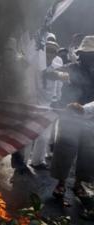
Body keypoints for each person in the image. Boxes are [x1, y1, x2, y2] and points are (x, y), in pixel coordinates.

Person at [44, 36, 94, 206]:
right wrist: (60, 75)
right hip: (70, 117)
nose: (90, 58)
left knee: (87, 153)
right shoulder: (72, 68)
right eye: (87, 54)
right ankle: (61, 183)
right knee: (65, 149)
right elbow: (49, 73)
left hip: (90, 119)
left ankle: (79, 184)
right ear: (81, 54)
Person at [29, 40, 63, 170]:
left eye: (53, 52)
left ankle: (37, 161)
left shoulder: (57, 65)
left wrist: (57, 99)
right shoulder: (36, 65)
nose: (50, 54)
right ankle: (21, 164)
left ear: (56, 54)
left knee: (44, 136)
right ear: (43, 52)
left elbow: (59, 84)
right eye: (48, 50)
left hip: (49, 104)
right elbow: (30, 83)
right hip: (33, 103)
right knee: (28, 135)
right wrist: (32, 100)